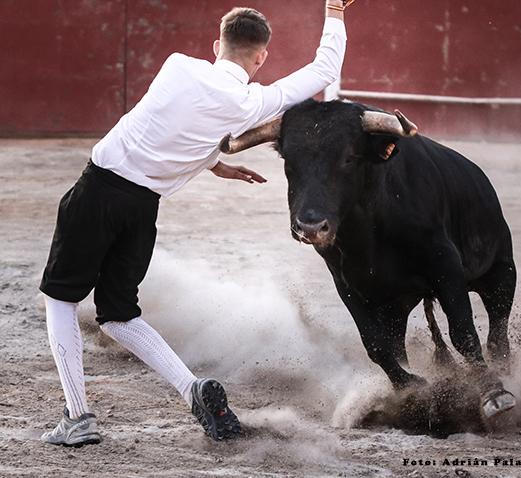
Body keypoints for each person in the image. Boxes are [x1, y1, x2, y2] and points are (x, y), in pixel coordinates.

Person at [39, 1, 353, 446]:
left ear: (215, 45)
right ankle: (193, 388)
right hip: (142, 209)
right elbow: (324, 68)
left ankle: (78, 417)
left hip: (97, 191)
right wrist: (335, 8)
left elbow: (172, 119)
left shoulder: (177, 67)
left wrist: (210, 160)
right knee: (119, 315)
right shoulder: (251, 102)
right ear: (260, 57)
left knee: (60, 299)